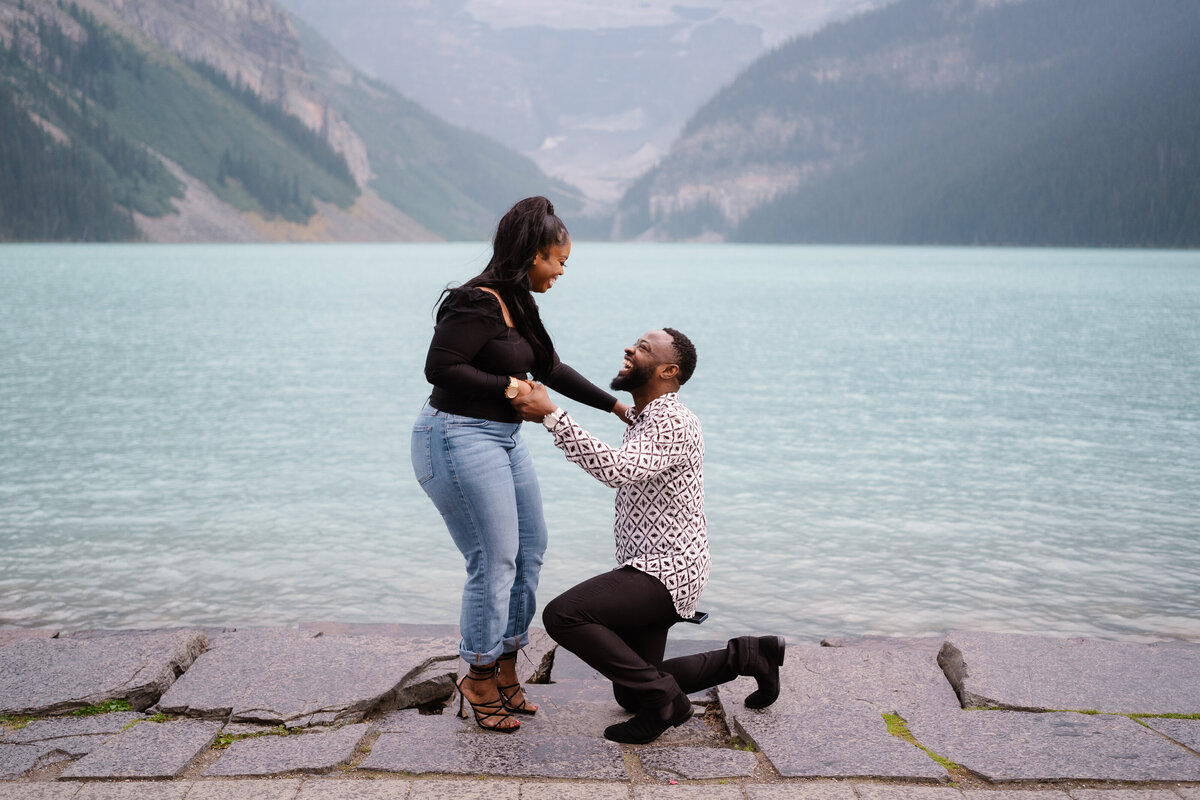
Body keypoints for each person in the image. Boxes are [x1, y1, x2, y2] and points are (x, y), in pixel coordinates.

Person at [411, 196, 630, 733]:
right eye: (559, 261)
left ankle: (507, 666)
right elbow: (440, 367)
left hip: (503, 439)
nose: (561, 272)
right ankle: (478, 675)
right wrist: (510, 386)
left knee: (529, 552)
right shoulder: (475, 302)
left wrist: (616, 406)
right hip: (455, 437)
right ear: (534, 253)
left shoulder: (518, 303)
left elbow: (550, 367)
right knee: (494, 558)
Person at [510, 328, 786, 744]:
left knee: (563, 616)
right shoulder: (647, 417)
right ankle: (750, 656)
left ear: (669, 369)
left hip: (665, 570)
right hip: (656, 566)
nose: (628, 347)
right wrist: (611, 410)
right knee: (630, 690)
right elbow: (629, 456)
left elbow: (617, 470)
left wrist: (553, 416)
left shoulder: (673, 420)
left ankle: (667, 703)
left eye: (643, 348)